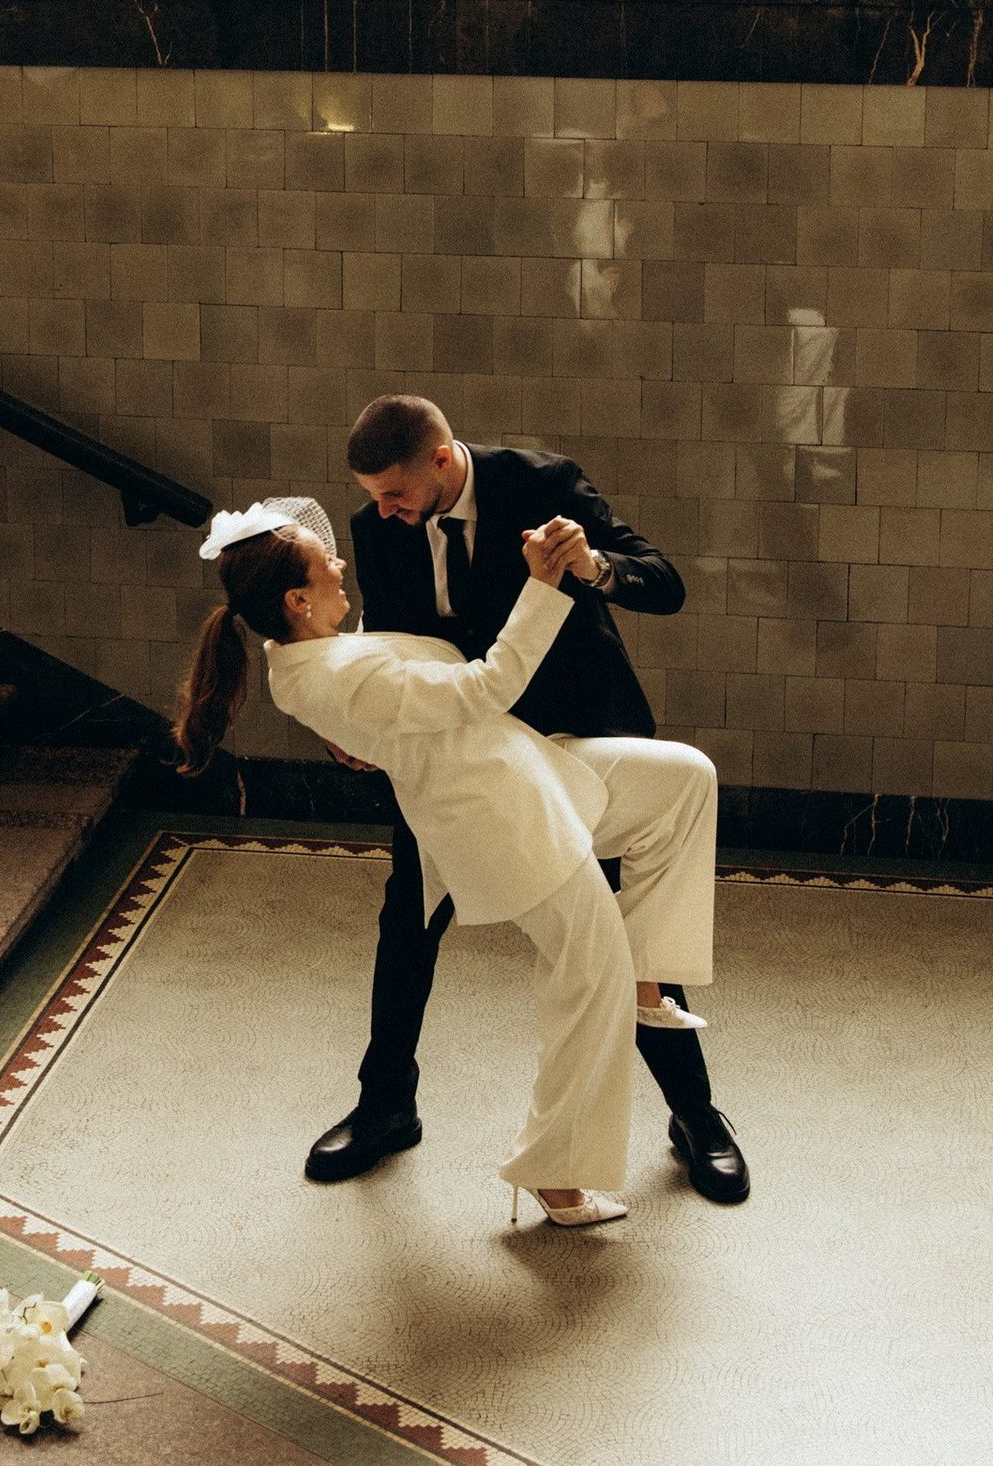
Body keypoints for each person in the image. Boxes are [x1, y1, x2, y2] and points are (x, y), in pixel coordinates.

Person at [172, 496, 720, 1227]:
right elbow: (486, 686)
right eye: (323, 559)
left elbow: (370, 671)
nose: (340, 561)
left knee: (685, 779)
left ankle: (648, 972)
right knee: (592, 983)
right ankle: (555, 1177)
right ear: (297, 599)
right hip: (505, 820)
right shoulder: (332, 675)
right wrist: (543, 582)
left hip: (534, 767)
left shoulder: (312, 650)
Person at [315, 395, 749, 1207]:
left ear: (441, 458)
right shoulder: (379, 526)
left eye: (395, 493)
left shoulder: (543, 482)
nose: (383, 510)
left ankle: (695, 1115)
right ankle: (386, 1106)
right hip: (468, 756)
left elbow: (665, 583)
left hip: (583, 733)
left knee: (622, 923)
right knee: (410, 915)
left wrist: (594, 567)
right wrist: (358, 725)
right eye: (373, 496)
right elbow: (401, 647)